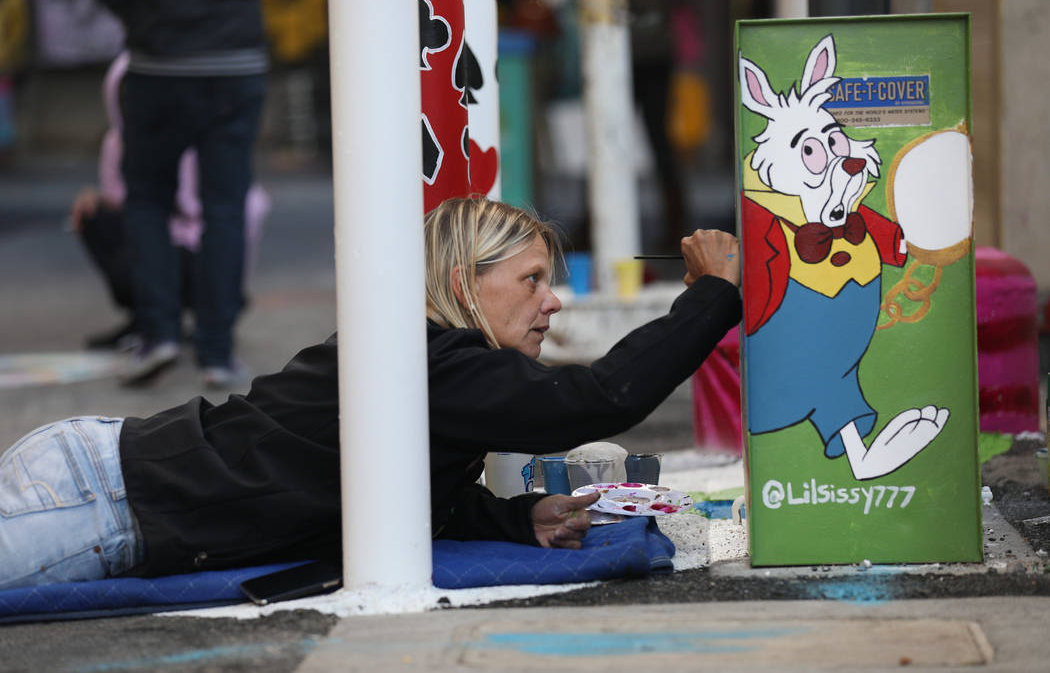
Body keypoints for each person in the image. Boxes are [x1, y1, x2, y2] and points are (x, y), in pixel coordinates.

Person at [0, 197, 741, 590]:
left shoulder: (431, 363)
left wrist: (521, 520)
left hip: (108, 490)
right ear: (462, 286)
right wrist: (710, 296)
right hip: (99, 499)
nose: (553, 304)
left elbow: (404, 493)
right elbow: (596, 399)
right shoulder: (435, 360)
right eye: (531, 281)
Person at [87, 0, 295, 387]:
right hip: (235, 60)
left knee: (146, 200)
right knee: (225, 206)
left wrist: (146, 15)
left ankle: (158, 333)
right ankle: (217, 353)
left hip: (158, 62)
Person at [71, 52, 271, 361]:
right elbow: (122, 205)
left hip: (199, 249)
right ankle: (152, 322)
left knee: (163, 232)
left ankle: (210, 326)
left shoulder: (205, 138)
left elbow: (237, 209)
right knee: (101, 218)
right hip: (164, 237)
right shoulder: (117, 142)